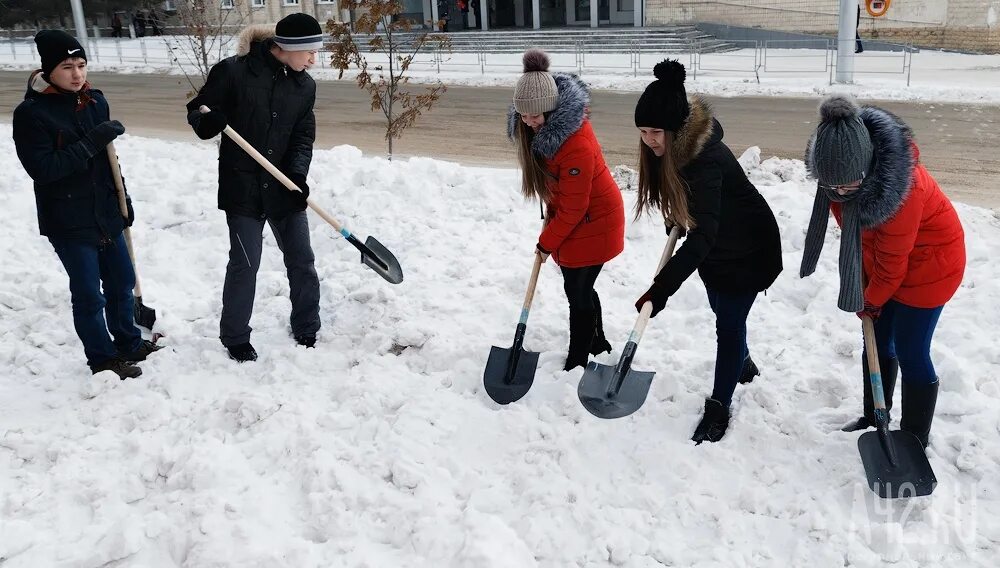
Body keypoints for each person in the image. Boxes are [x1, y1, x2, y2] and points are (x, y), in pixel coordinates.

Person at [800, 94, 966, 448]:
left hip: (931, 267)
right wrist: (866, 292)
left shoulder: (902, 191)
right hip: (887, 260)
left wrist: (869, 300)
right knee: (875, 338)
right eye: (834, 187)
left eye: (848, 186)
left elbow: (893, 264)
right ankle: (876, 414)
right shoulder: (838, 180)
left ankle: (913, 437)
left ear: (868, 168)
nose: (840, 194)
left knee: (909, 348)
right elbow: (859, 239)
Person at [631, 60, 782, 444]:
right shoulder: (674, 151)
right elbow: (696, 212)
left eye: (655, 132)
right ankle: (742, 362)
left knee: (727, 326)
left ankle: (719, 405)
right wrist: (679, 216)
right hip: (719, 246)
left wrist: (660, 288)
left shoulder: (706, 161)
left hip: (748, 249)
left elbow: (702, 238)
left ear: (677, 128)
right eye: (644, 131)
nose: (649, 139)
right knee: (723, 311)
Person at [12, 30, 162, 380]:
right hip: (68, 219)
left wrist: (123, 198)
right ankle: (102, 358)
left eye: (81, 65)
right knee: (89, 296)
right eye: (67, 67)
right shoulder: (31, 114)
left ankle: (128, 342)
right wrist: (92, 141)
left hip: (106, 212)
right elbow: (44, 169)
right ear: (48, 70)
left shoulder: (95, 101)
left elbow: (110, 160)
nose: (77, 74)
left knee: (122, 283)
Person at [185, 14, 322, 363]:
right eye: (309, 51)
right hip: (242, 187)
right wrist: (207, 121)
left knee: (302, 260)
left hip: (282, 186)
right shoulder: (233, 72)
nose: (313, 59)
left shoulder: (305, 86)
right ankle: (234, 337)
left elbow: (303, 137)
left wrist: (298, 177)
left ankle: (307, 325)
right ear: (287, 48)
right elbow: (197, 112)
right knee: (245, 264)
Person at [507, 49, 625, 371]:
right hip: (579, 218)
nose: (529, 122)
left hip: (596, 220)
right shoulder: (543, 133)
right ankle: (598, 342)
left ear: (552, 107)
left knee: (577, 290)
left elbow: (575, 207)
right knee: (582, 287)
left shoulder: (575, 145)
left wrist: (547, 242)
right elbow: (562, 195)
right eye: (523, 115)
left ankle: (578, 358)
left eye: (535, 115)